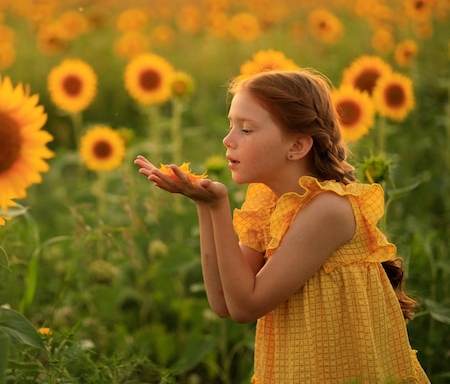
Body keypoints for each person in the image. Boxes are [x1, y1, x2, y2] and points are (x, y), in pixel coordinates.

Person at [134, 69, 430, 383]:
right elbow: (224, 300)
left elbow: (246, 307)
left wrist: (219, 208)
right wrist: (205, 206)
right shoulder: (270, 203)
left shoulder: (328, 210)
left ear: (297, 147)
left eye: (245, 130)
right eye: (230, 125)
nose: (228, 140)